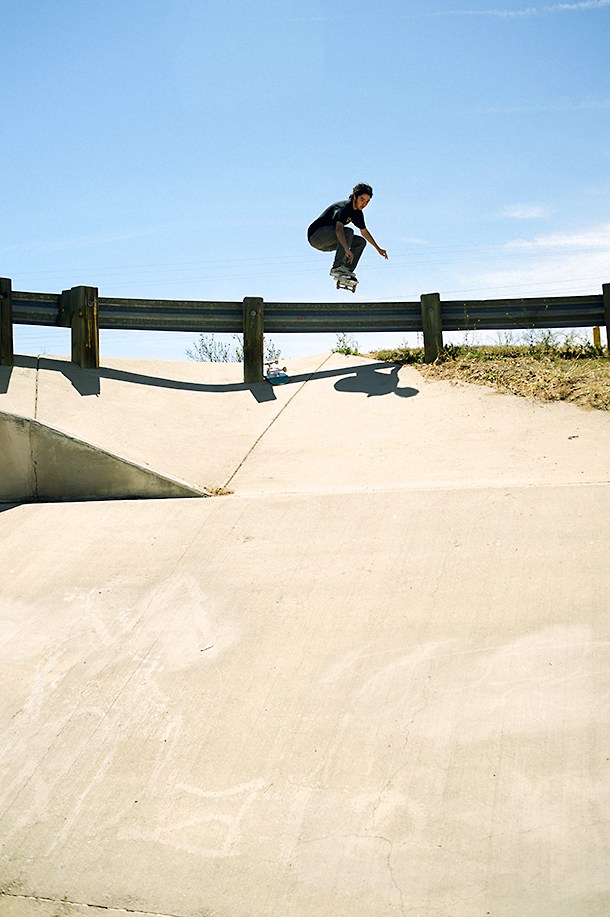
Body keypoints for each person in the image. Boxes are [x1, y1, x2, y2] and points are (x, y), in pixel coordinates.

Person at [307, 183, 388, 280]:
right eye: (362, 199)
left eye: (367, 201)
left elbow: (364, 232)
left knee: (360, 242)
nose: (364, 204)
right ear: (355, 197)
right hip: (316, 236)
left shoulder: (358, 214)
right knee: (348, 232)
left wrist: (378, 248)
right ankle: (337, 267)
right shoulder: (344, 208)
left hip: (326, 243)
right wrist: (346, 248)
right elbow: (339, 230)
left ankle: (346, 272)